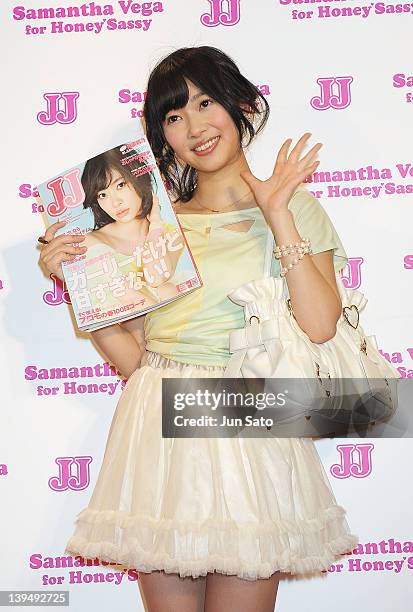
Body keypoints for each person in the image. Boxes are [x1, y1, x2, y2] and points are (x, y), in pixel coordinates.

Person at [38, 46, 359, 612]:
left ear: (239, 105)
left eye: (205, 102)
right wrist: (79, 285)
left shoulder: (296, 208)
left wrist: (277, 212)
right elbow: (135, 362)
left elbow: (320, 323)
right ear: (162, 135)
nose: (194, 126)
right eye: (173, 115)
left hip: (248, 419)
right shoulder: (151, 225)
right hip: (160, 422)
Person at [76, 146, 185, 311]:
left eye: (120, 185)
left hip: (160, 321)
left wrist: (155, 224)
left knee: (166, 288)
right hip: (130, 328)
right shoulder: (91, 242)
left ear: (139, 179)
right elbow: (131, 299)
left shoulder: (170, 234)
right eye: (102, 195)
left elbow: (156, 278)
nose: (115, 203)